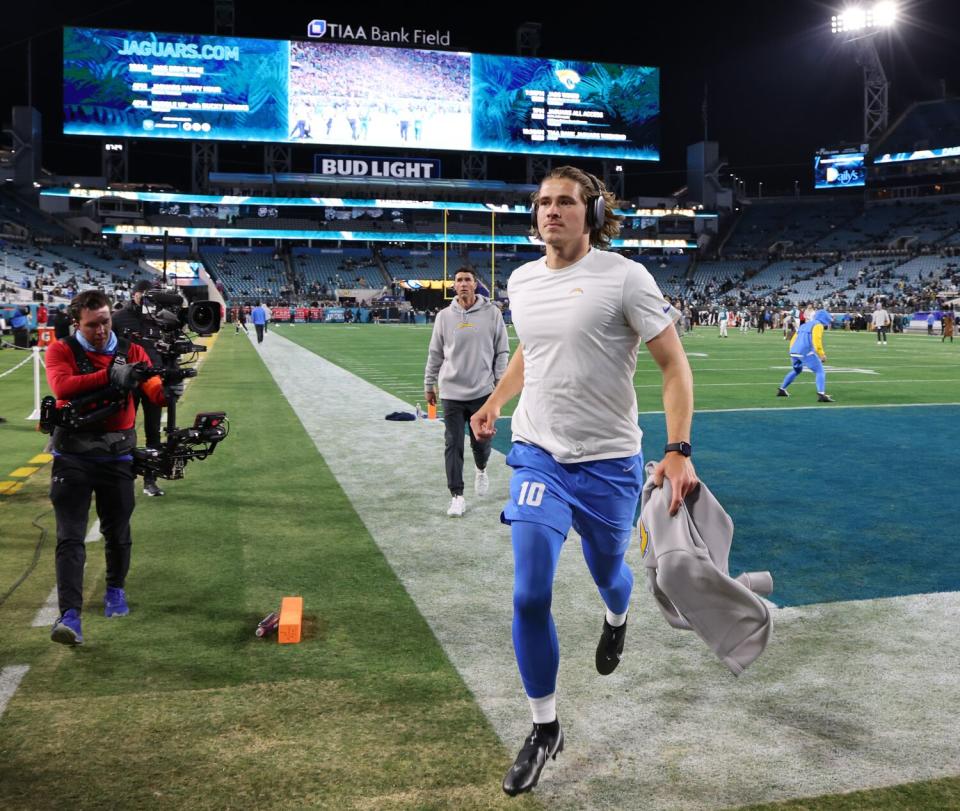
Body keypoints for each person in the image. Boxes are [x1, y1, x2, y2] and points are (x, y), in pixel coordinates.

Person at [469, 166, 698, 797]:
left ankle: (617, 613)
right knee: (528, 592)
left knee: (608, 573)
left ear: (592, 213)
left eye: (565, 202)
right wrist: (495, 399)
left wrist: (678, 450)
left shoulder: (625, 277)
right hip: (538, 454)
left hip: (609, 464)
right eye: (543, 202)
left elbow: (673, 366)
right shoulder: (519, 280)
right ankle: (545, 727)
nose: (551, 212)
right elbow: (531, 349)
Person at [44, 290, 181, 646]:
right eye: (92, 325)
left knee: (118, 532)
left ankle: (115, 590)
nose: (102, 330)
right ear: (77, 323)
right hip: (72, 456)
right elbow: (62, 387)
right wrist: (112, 376)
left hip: (118, 455)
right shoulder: (61, 350)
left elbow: (151, 389)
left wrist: (167, 389)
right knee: (70, 537)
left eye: (105, 321)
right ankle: (70, 616)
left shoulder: (132, 351)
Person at [424, 268, 509, 517]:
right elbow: (435, 354)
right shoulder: (443, 316)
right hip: (451, 391)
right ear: (454, 286)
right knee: (453, 443)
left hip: (482, 391)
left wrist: (498, 383)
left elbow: (502, 351)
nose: (463, 284)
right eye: (458, 280)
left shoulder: (492, 313)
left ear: (475, 284)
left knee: (481, 443)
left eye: (467, 280)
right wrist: (429, 384)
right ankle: (457, 495)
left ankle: (481, 469)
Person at [111, 279, 166, 497]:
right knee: (125, 429)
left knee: (154, 430)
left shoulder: (160, 316)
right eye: (143, 293)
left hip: (153, 379)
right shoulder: (119, 318)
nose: (146, 297)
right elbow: (110, 350)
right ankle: (124, 476)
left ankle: (150, 480)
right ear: (134, 294)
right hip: (129, 380)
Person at [777, 308, 834, 402]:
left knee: (796, 370)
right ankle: (821, 394)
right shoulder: (818, 325)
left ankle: (782, 389)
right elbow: (817, 340)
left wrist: (792, 351)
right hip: (805, 352)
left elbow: (794, 337)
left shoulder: (805, 325)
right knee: (820, 371)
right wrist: (821, 354)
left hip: (794, 351)